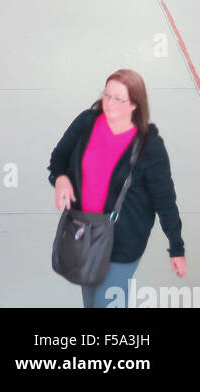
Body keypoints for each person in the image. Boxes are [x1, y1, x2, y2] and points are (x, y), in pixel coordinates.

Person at [48, 69, 185, 309]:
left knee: (107, 303)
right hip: (83, 230)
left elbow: (165, 201)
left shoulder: (150, 147)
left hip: (122, 245)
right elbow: (59, 156)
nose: (109, 103)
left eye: (118, 99)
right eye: (107, 95)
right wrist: (60, 178)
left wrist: (176, 247)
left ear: (134, 105)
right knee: (90, 298)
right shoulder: (86, 122)